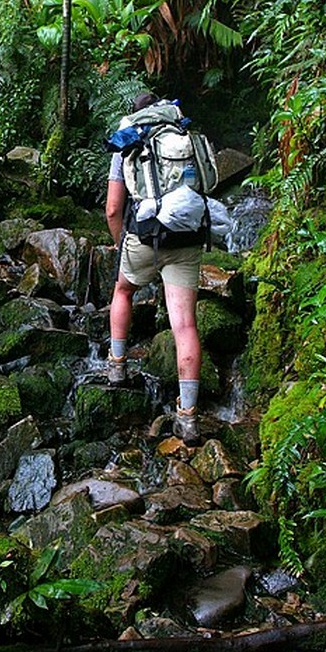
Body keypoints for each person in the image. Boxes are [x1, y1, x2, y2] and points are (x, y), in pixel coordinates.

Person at [105, 92, 202, 446]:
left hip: (144, 237)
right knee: (185, 324)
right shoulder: (182, 135)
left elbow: (114, 209)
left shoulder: (130, 139)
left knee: (123, 290)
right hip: (186, 238)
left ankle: (117, 364)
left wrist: (120, 244)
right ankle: (188, 418)